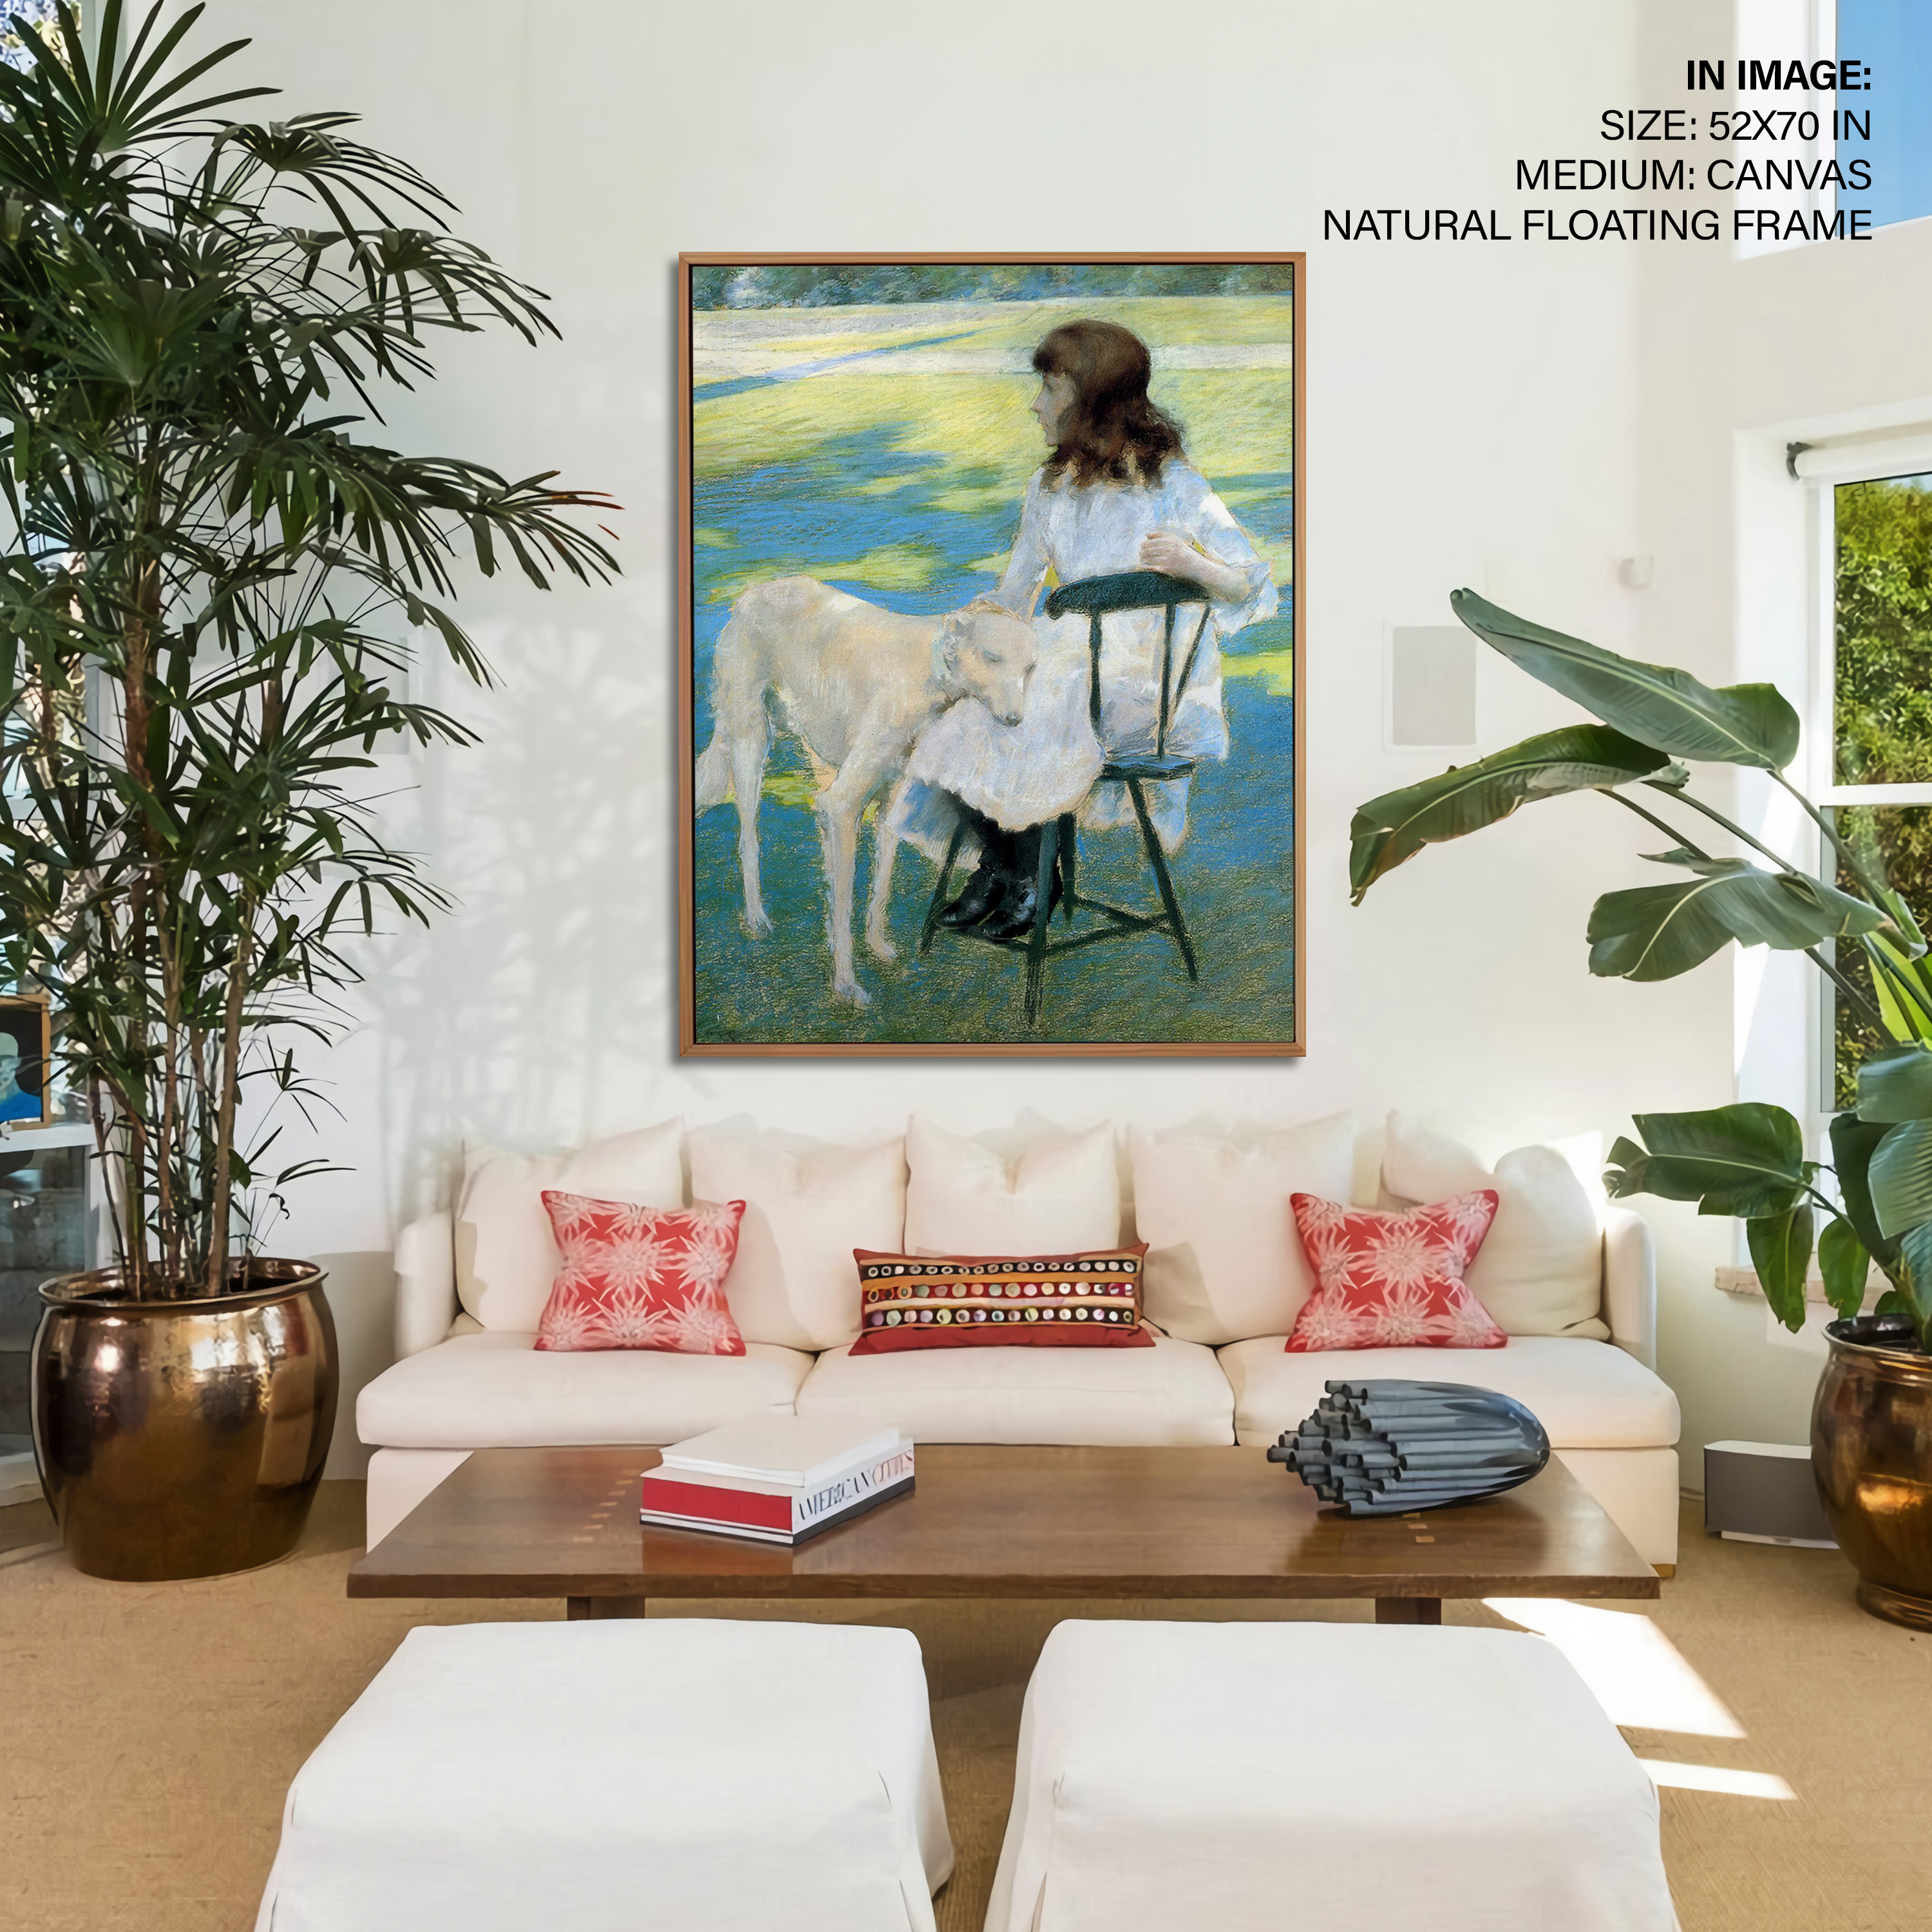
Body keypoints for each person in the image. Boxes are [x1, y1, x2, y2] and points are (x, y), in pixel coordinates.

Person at [895, 317, 1277, 940]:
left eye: (1051, 389)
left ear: (1095, 401)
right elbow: (1016, 592)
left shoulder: (1172, 481)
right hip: (1072, 668)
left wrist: (1193, 565)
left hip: (1146, 691)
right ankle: (1003, 865)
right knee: (959, 706)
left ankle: (1031, 879)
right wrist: (974, 626)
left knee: (1035, 704)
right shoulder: (1050, 487)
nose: (1036, 404)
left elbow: (1252, 584)